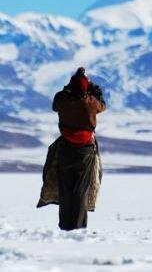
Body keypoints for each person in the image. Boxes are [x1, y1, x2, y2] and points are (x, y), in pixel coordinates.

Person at [37, 67, 106, 231]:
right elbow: (103, 106)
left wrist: (67, 89)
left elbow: (55, 104)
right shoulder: (91, 102)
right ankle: (79, 227)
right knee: (81, 189)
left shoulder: (63, 100)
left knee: (65, 188)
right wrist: (94, 91)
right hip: (85, 151)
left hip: (65, 149)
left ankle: (65, 226)